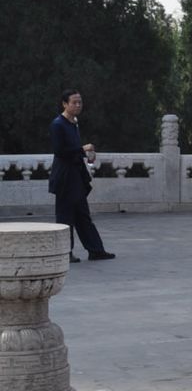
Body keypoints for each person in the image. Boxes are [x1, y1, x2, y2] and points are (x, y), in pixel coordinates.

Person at [48, 90, 115, 263]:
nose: (78, 105)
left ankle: (95, 250)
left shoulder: (73, 123)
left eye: (80, 102)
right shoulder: (58, 124)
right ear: (64, 104)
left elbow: (73, 151)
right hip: (64, 177)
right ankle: (65, 253)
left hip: (76, 175)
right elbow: (59, 151)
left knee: (82, 215)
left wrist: (87, 155)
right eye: (74, 102)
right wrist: (82, 149)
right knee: (64, 217)